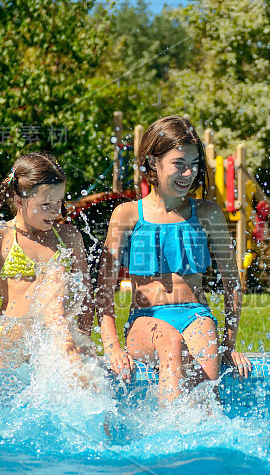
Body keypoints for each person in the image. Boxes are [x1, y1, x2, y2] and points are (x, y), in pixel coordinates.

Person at [97, 116, 251, 401]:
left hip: (196, 315)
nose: (188, 173)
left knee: (206, 382)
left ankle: (203, 440)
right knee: (171, 340)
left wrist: (228, 346)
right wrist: (113, 349)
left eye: (194, 164)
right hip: (146, 320)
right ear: (154, 163)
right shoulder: (128, 215)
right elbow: (103, 288)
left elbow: (233, 283)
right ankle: (166, 440)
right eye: (179, 164)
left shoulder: (208, 213)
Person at [0, 152, 94, 375]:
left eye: (59, 202)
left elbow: (87, 294)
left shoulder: (69, 236)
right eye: (46, 204)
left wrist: (84, 336)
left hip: (59, 337)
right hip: (14, 338)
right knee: (54, 274)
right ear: (19, 201)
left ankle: (74, 361)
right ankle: (77, 372)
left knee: (56, 279)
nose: (55, 211)